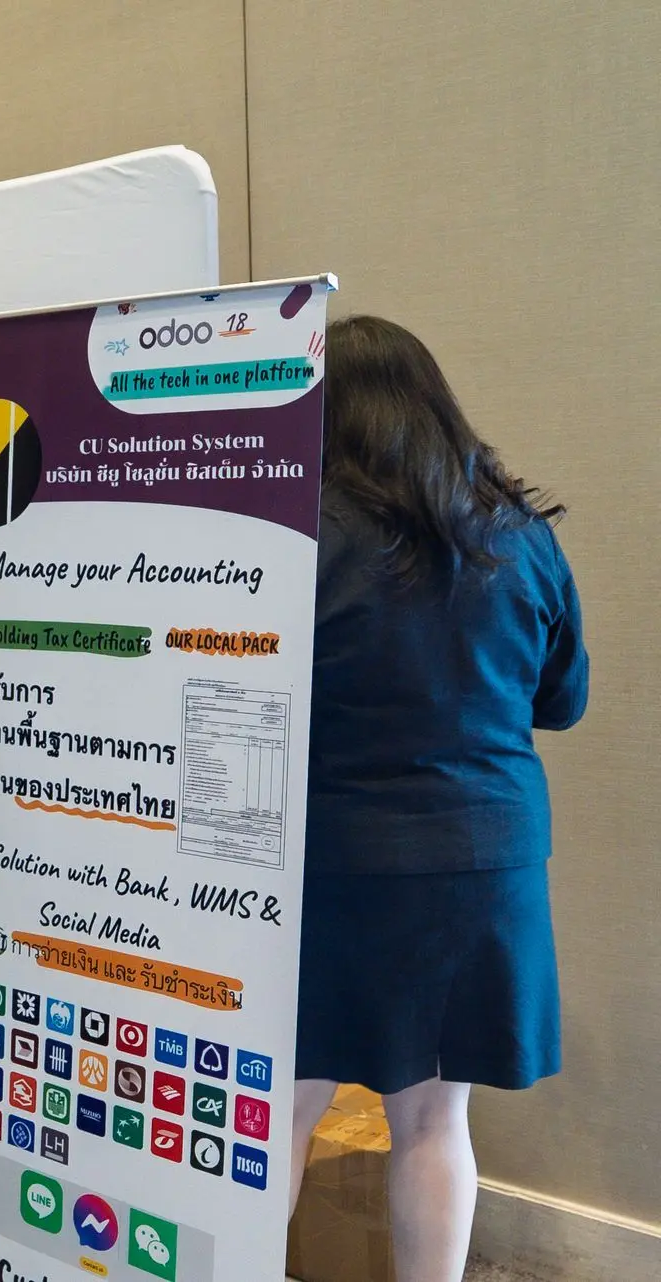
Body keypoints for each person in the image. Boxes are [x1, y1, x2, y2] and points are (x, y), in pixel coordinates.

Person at [289, 315, 588, 1282]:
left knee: (282, 1107)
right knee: (433, 1116)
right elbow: (563, 701)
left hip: (332, 863)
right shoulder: (521, 537)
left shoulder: (297, 539)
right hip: (482, 860)